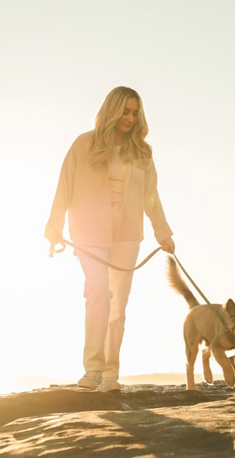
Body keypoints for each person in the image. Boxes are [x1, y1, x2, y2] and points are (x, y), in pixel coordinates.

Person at [44, 86, 175, 392]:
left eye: (134, 113)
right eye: (125, 112)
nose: (130, 118)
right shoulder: (83, 144)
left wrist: (163, 232)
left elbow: (151, 197)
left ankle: (110, 374)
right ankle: (92, 370)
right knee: (98, 291)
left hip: (128, 234)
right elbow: (64, 186)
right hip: (89, 230)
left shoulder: (142, 153)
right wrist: (54, 227)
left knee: (118, 307)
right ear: (112, 110)